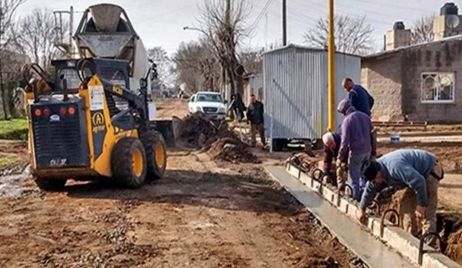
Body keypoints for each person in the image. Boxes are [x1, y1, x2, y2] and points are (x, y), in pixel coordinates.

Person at [359, 149, 444, 245]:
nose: (375, 183)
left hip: (430, 170)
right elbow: (370, 188)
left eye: (375, 180)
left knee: (427, 213)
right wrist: (362, 209)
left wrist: (421, 205)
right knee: (406, 207)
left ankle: (428, 246)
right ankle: (412, 240)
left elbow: (419, 182)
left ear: (379, 173)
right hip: (414, 176)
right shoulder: (375, 169)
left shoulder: (395, 168)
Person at [337, 99, 375, 201]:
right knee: (363, 175)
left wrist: (340, 157)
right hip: (367, 151)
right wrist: (373, 150)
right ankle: (365, 198)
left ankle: (355, 200)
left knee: (354, 177)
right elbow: (372, 135)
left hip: (357, 152)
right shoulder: (365, 117)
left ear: (344, 111)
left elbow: (344, 142)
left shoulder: (347, 121)